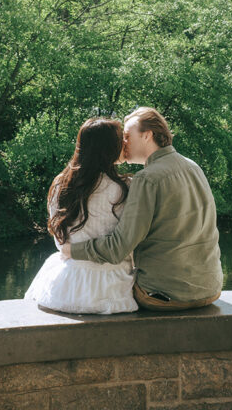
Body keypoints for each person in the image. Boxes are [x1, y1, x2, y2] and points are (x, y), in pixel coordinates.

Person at [61, 107, 223, 311]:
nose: (122, 143)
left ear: (147, 135)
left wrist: (72, 250)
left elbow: (118, 248)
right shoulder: (192, 166)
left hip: (164, 296)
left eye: (127, 136)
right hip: (210, 289)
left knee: (97, 293)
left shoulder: (147, 179)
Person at [24, 117, 138, 314]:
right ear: (109, 147)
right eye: (121, 139)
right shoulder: (126, 187)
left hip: (67, 286)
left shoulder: (61, 184)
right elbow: (127, 245)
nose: (125, 144)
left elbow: (61, 244)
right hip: (111, 287)